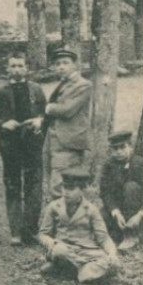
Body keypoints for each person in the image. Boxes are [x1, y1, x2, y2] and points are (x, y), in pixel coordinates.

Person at [0, 54, 46, 245]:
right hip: (10, 146)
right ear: (8, 69)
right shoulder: (0, 93)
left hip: (32, 145)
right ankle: (16, 233)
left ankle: (31, 230)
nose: (17, 69)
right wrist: (4, 123)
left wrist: (40, 121)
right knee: (13, 187)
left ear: (26, 68)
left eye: (20, 65)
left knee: (34, 187)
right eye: (13, 66)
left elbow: (46, 115)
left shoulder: (36, 90)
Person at [38, 169, 119, 285]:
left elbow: (103, 237)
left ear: (82, 190)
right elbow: (43, 234)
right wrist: (51, 243)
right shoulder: (54, 206)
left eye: (71, 189)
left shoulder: (91, 209)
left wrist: (112, 253)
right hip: (64, 248)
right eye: (64, 188)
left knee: (111, 263)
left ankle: (68, 270)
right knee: (59, 252)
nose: (66, 192)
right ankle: (83, 271)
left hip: (86, 251)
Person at [43, 47, 92, 198]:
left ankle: (66, 219)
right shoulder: (63, 84)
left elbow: (68, 110)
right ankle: (58, 217)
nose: (61, 67)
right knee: (54, 183)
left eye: (65, 63)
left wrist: (49, 108)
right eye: (57, 64)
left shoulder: (83, 85)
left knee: (62, 186)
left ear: (75, 65)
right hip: (53, 140)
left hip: (68, 142)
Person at [99, 130, 143, 252]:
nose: (119, 151)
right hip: (119, 210)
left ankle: (132, 234)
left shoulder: (141, 164)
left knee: (131, 187)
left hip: (138, 210)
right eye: (115, 148)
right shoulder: (108, 166)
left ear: (130, 146)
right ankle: (118, 234)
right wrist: (115, 212)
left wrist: (141, 214)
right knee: (100, 217)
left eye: (122, 147)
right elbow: (105, 192)